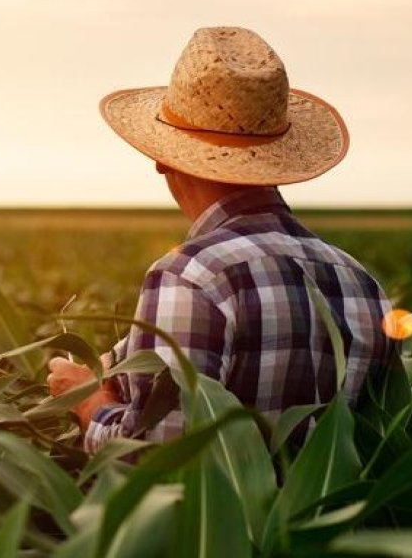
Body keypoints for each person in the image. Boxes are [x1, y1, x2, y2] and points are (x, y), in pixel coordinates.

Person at [47, 26, 393, 452]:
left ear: (160, 159)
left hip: (213, 522)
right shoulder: (360, 283)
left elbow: (157, 456)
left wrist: (89, 403)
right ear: (280, 159)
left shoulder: (190, 275)